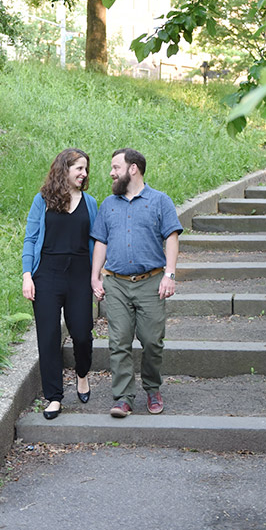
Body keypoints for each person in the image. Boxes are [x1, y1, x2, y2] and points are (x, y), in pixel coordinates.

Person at [89, 147, 182, 419]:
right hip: (116, 283)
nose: (111, 172)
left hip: (151, 282)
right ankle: (123, 397)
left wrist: (170, 274)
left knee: (152, 340)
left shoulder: (160, 201)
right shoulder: (108, 204)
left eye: (115, 167)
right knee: (118, 341)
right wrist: (95, 276)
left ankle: (152, 388)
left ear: (133, 169)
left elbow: (172, 237)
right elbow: (101, 242)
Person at [21, 148, 98, 419]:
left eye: (86, 169)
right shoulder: (42, 200)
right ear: (64, 169)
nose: (84, 174)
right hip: (47, 276)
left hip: (79, 275)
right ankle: (53, 397)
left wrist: (96, 275)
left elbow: (96, 243)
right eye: (79, 168)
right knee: (48, 337)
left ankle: (82, 373)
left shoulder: (90, 203)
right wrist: (27, 275)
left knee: (82, 333)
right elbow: (30, 239)